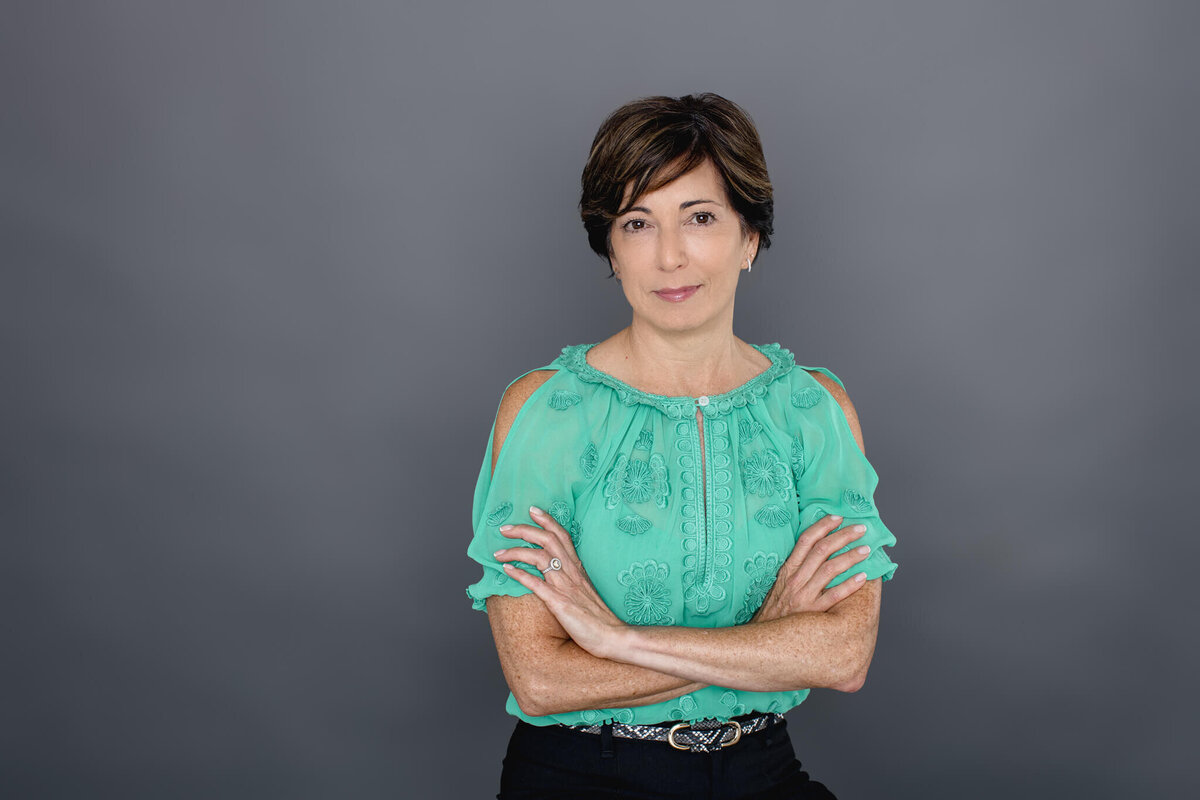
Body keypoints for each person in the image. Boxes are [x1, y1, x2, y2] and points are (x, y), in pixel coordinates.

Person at [465, 93, 898, 799]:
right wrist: (770, 637)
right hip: (584, 776)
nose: (670, 255)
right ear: (610, 246)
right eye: (638, 223)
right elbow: (541, 681)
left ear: (750, 237)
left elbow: (844, 654)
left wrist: (618, 642)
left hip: (761, 767)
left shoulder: (815, 411)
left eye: (699, 217)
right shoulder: (547, 412)